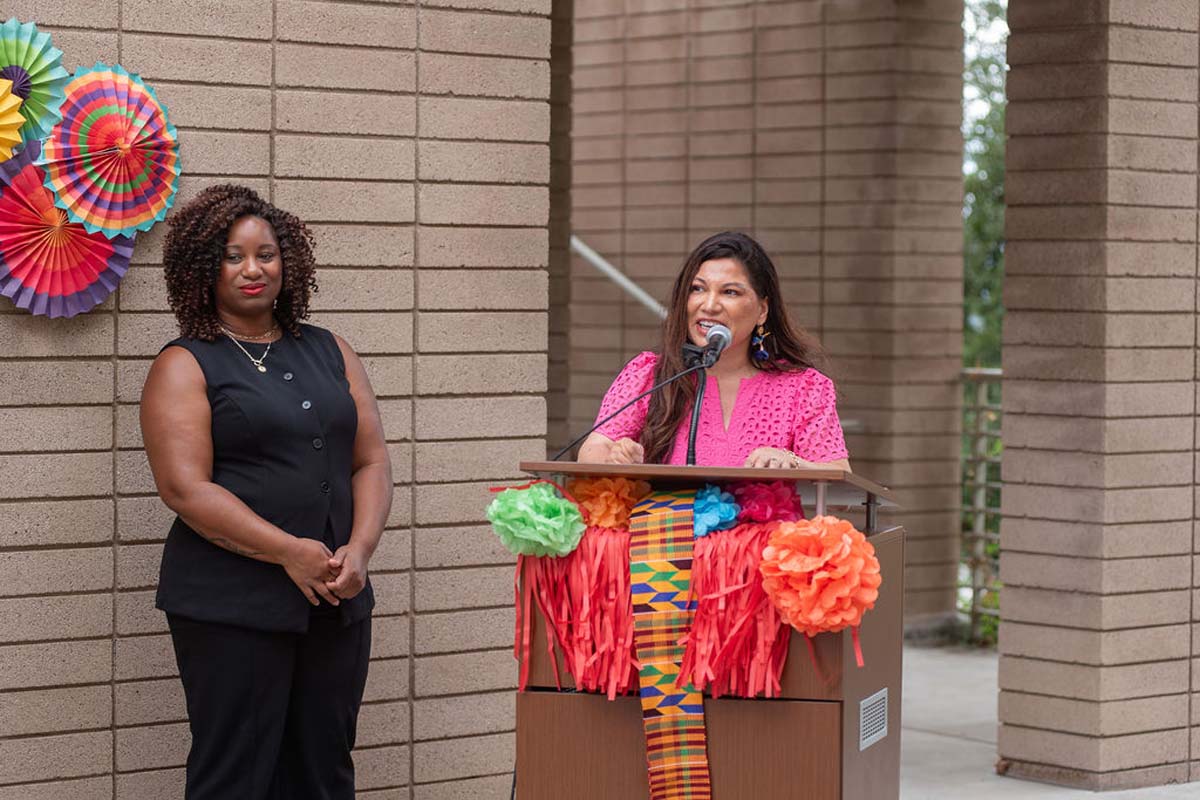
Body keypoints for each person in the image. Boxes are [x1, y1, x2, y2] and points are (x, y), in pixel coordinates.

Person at [139, 184, 392, 800]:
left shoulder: (331, 349)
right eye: (232, 255)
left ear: (289, 261)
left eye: (266, 253)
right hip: (232, 605)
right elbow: (184, 488)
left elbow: (371, 460)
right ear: (204, 267)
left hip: (335, 595)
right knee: (237, 777)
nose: (253, 269)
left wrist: (359, 550)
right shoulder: (185, 363)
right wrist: (287, 550)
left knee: (324, 770)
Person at [577, 231, 850, 470]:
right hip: (669, 528)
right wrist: (618, 456)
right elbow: (592, 450)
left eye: (729, 292)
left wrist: (790, 460)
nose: (709, 305)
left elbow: (837, 473)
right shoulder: (650, 374)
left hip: (769, 530)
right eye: (697, 289)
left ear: (762, 311)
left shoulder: (804, 387)